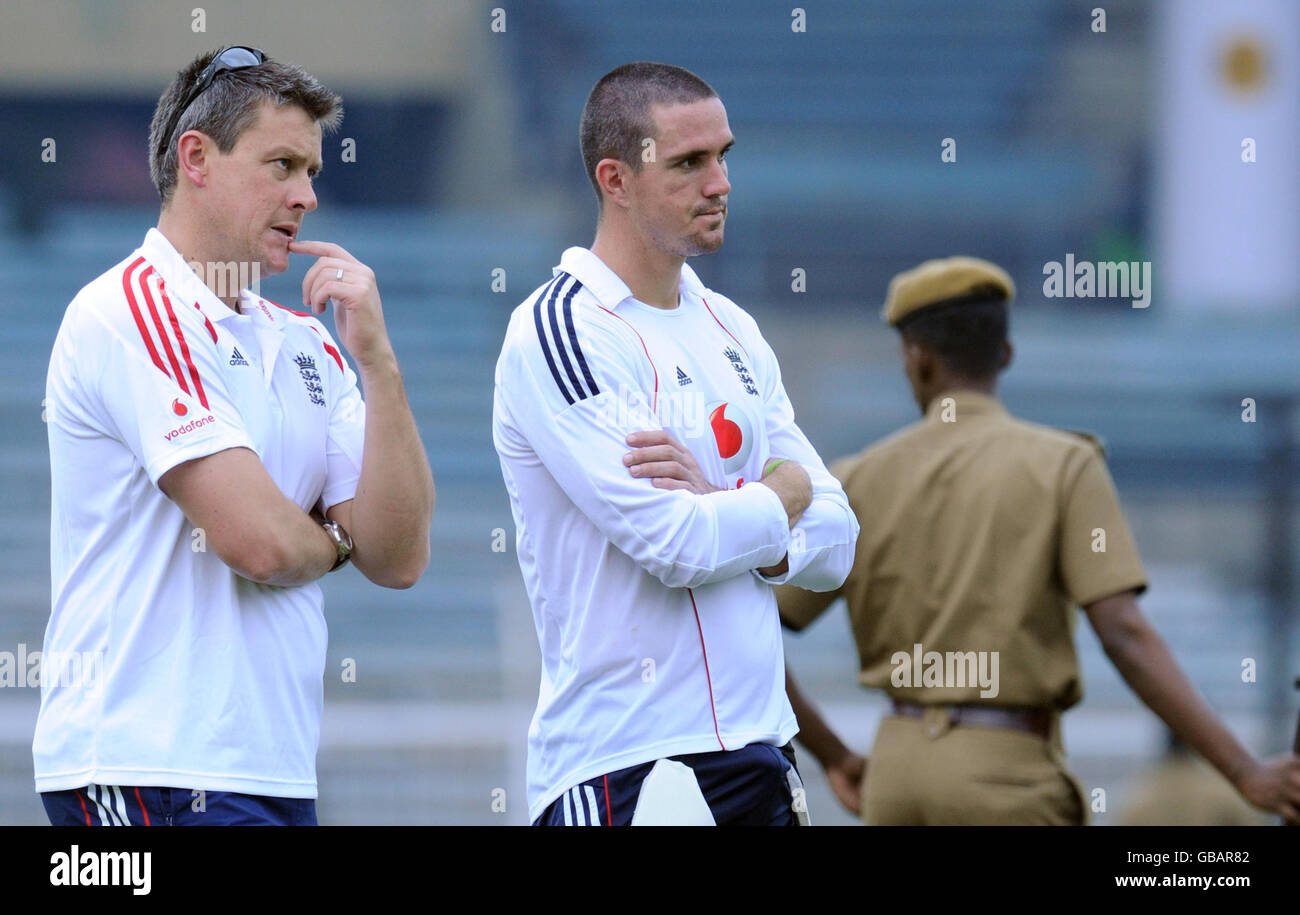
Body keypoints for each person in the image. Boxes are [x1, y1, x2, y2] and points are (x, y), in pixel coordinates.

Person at [36, 47, 434, 826]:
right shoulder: (131, 309)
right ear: (197, 160)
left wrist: (379, 365)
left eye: (312, 171)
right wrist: (332, 539)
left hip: (272, 768)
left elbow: (399, 554)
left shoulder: (307, 341)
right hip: (144, 765)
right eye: (282, 165)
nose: (308, 196)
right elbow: (263, 545)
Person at [778, 255, 1300, 826]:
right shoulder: (1065, 467)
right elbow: (1124, 634)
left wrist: (833, 754)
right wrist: (1245, 772)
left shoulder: (855, 481)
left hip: (896, 778)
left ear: (916, 358)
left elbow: (754, 628)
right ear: (1005, 354)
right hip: (1008, 776)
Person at [492, 61, 858, 826]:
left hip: (761, 750)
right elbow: (673, 542)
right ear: (616, 179)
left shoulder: (733, 328)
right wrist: (777, 496)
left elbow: (839, 541)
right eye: (690, 162)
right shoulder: (560, 331)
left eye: (724, 155)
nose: (720, 182)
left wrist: (734, 509)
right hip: (627, 762)